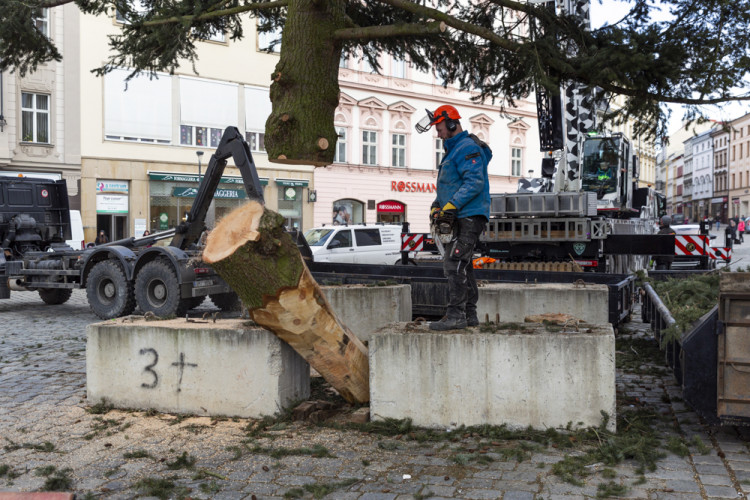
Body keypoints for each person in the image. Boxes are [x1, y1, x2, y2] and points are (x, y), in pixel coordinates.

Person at [415, 104, 492, 330]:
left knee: (454, 262)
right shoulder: (454, 151)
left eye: (439, 129)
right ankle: (469, 315)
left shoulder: (466, 148)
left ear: (451, 123)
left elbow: (474, 183)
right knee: (463, 265)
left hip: (469, 215)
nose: (438, 135)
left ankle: (456, 315)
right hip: (460, 214)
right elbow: (450, 187)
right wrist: (437, 206)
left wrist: (451, 205)